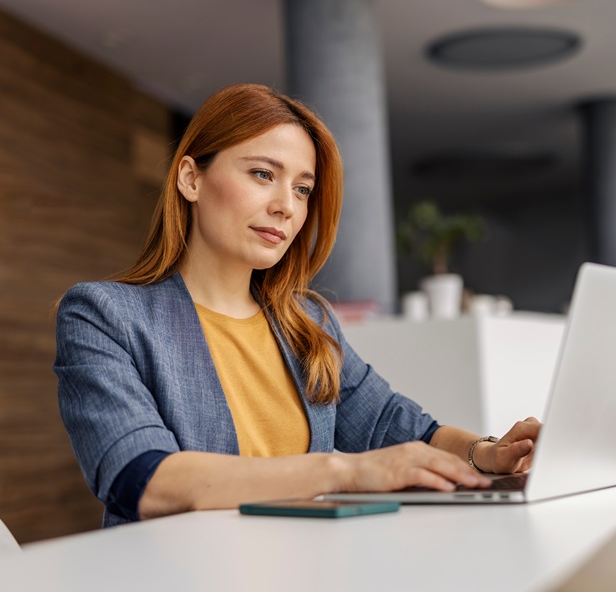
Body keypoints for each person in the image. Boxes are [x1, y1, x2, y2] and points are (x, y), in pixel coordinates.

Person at [54, 83, 540, 527]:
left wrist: (487, 453)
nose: (287, 205)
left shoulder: (307, 321)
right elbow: (142, 480)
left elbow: (397, 426)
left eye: (303, 188)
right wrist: (340, 471)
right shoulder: (103, 316)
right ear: (190, 179)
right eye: (263, 174)